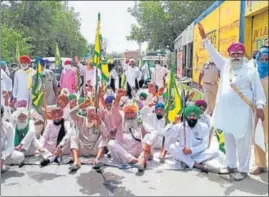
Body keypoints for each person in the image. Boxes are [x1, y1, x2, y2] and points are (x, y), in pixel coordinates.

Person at [198, 23, 266, 181]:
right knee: (229, 139)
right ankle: (231, 165)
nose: (236, 56)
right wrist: (205, 39)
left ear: (243, 55)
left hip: (243, 112)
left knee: (242, 140)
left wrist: (260, 106)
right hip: (226, 111)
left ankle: (242, 169)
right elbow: (213, 54)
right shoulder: (226, 66)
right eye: (233, 54)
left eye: (239, 54)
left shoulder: (250, 69)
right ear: (229, 55)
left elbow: (258, 90)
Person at [162, 105, 218, 171]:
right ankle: (196, 164)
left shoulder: (204, 127)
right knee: (172, 147)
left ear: (197, 116)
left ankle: (187, 162)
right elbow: (164, 133)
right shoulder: (181, 125)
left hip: (197, 154)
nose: (191, 118)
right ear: (186, 116)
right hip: (183, 153)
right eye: (190, 116)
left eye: (194, 116)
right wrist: (173, 123)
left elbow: (205, 144)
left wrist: (191, 150)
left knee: (215, 152)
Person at [69, 105, 110, 170]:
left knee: (103, 137)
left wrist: (100, 122)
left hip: (94, 149)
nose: (90, 117)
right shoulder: (81, 120)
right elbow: (71, 113)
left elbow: (106, 135)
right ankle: (76, 161)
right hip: (83, 148)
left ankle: (97, 160)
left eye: (92, 116)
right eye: (89, 115)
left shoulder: (99, 122)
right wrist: (80, 106)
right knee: (73, 136)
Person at [251, 46, 268, 175]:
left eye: (267, 59)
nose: (264, 61)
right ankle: (260, 164)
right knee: (258, 136)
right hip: (257, 109)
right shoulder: (253, 72)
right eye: (262, 59)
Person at [1, 105, 25, 173]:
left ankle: (3, 163)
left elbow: (11, 146)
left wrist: (3, 156)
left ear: (2, 115)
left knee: (20, 156)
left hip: (3, 153)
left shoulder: (8, 126)